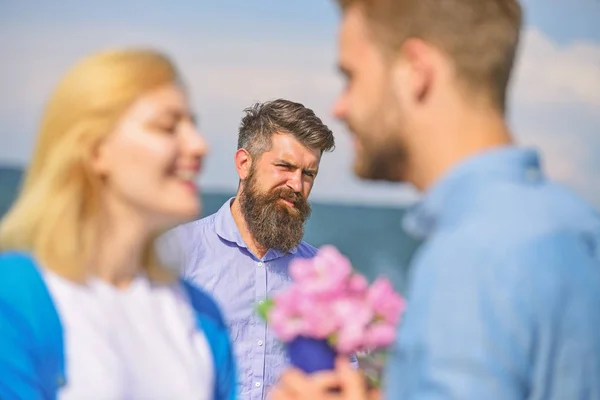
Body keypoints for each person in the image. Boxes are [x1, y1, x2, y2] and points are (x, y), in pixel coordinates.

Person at [271, 0, 600, 399]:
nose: (340, 107)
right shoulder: (577, 225)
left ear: (415, 72)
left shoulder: (470, 258)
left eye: (351, 77)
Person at [0, 49, 237, 400]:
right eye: (167, 127)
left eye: (193, 125)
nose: (199, 145)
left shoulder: (202, 316)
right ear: (95, 150)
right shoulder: (15, 298)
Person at [159, 98, 350, 399]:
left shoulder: (320, 275)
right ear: (244, 163)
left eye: (308, 174)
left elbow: (343, 379)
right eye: (285, 167)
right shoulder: (176, 254)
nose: (297, 185)